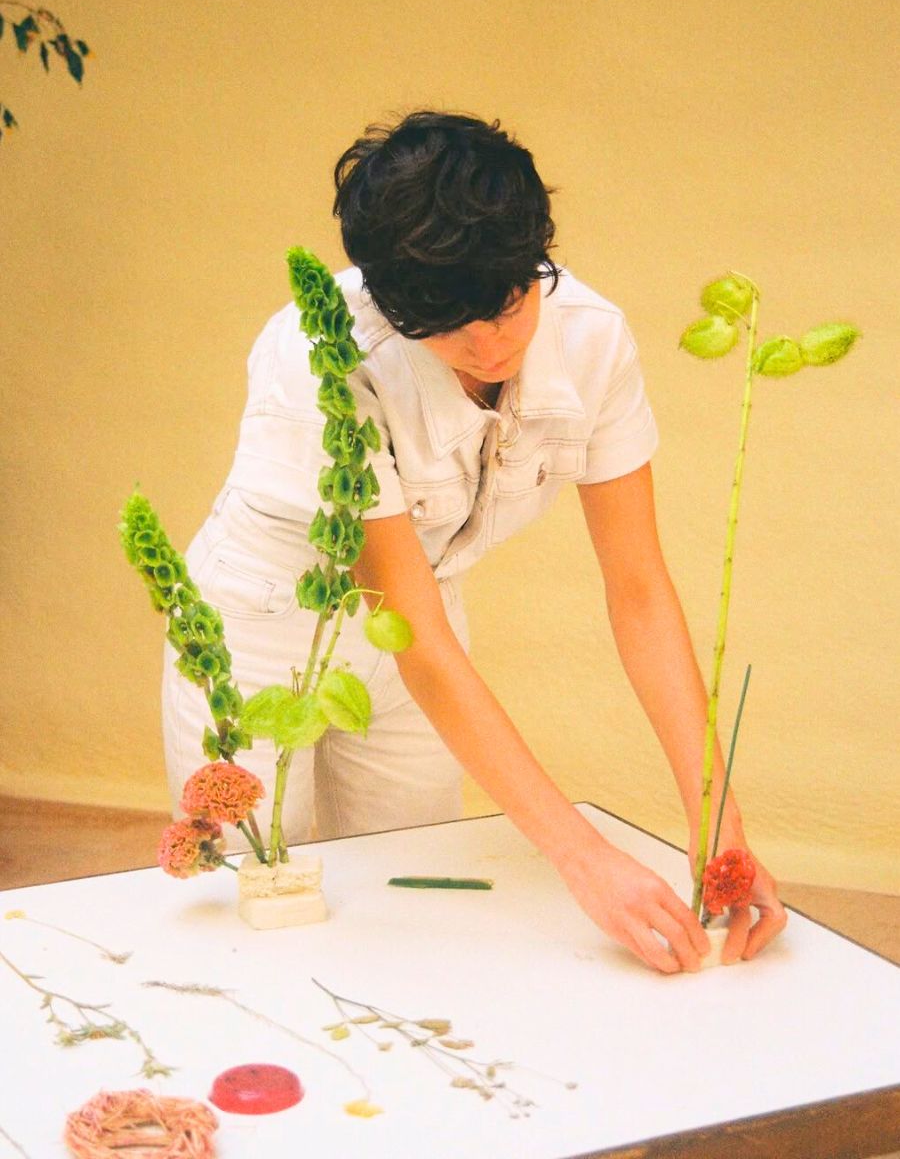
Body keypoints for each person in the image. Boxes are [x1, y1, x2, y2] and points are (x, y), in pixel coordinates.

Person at [162, 110, 786, 973]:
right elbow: (405, 620)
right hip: (261, 627)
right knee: (262, 897)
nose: (490, 345)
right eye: (451, 330)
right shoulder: (321, 359)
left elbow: (638, 586)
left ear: (537, 260)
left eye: (508, 306)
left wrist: (722, 830)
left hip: (425, 627)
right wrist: (584, 860)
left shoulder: (593, 338)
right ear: (389, 298)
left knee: (415, 889)